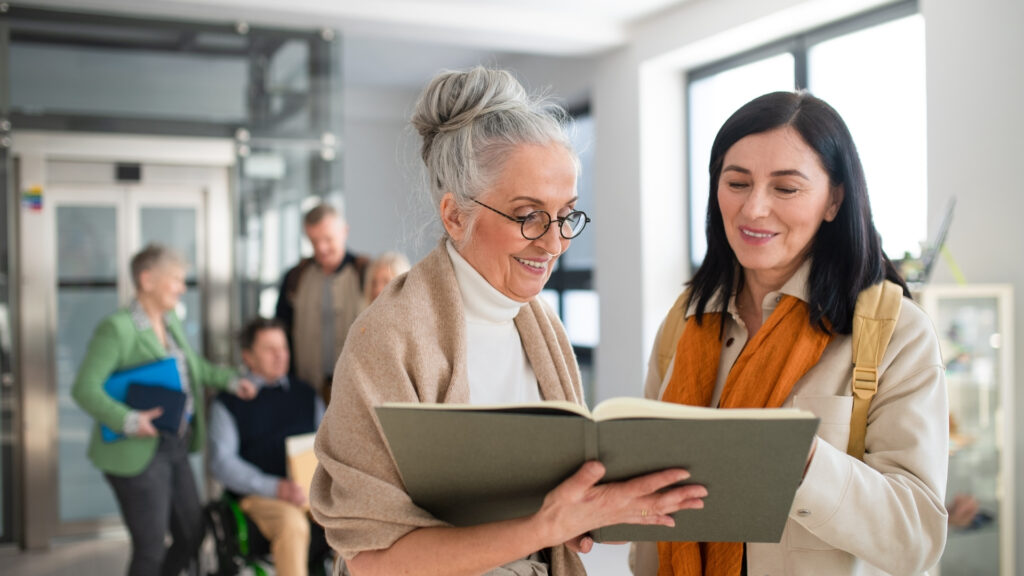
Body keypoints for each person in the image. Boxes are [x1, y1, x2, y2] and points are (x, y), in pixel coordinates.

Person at [309, 66, 708, 576]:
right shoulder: (388, 338)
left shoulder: (542, 328)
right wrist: (547, 526)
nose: (555, 243)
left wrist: (595, 507)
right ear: (455, 216)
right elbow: (371, 563)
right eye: (529, 215)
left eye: (567, 215)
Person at [639, 92, 948, 575]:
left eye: (786, 189)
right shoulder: (686, 319)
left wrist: (799, 461)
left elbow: (916, 538)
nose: (754, 209)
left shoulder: (896, 333)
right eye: (736, 182)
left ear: (835, 200)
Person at [72, 243, 256, 576]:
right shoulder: (118, 329)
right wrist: (129, 420)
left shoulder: (168, 321)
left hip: (174, 444)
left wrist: (229, 381)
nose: (182, 288)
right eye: (175, 279)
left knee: (192, 532)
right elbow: (84, 389)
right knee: (150, 549)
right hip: (137, 448)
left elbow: (192, 367)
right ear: (147, 280)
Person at [208, 317, 332, 576]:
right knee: (292, 524)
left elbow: (327, 447)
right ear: (248, 357)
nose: (280, 356)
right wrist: (275, 488)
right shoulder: (229, 403)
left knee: (352, 517)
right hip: (259, 496)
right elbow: (222, 463)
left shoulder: (306, 395)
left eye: (283, 348)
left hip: (309, 492)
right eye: (269, 349)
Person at [275, 202, 368, 403]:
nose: (321, 248)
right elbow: (281, 331)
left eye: (328, 239)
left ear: (344, 231)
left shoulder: (366, 274)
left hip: (358, 392)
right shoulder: (295, 277)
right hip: (307, 391)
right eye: (314, 241)